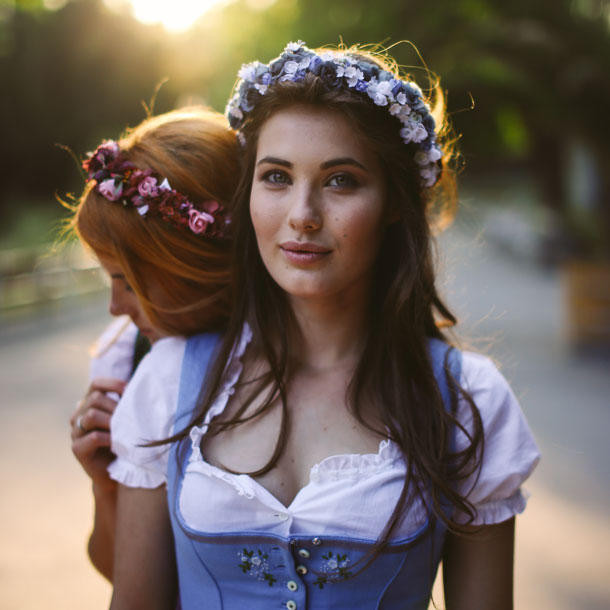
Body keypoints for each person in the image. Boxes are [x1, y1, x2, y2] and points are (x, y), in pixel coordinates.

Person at [109, 42, 540, 609]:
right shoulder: (169, 380)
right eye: (277, 177)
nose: (303, 215)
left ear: (391, 202)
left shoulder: (468, 402)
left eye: (340, 181)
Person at [68, 106, 240, 581]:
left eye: (126, 281)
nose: (115, 307)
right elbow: (123, 576)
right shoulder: (129, 361)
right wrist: (106, 483)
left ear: (194, 266)